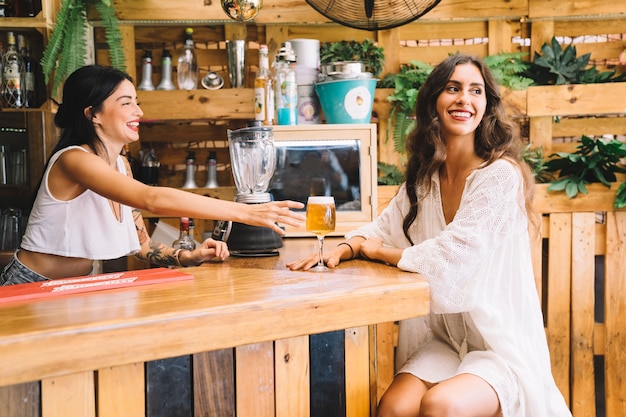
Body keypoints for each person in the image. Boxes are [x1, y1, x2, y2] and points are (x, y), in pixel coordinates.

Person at [287, 54, 571, 416]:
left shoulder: (500, 176)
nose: (464, 99)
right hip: (448, 341)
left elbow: (452, 260)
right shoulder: (425, 180)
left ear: (486, 105)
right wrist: (346, 245)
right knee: (394, 406)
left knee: (441, 405)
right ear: (434, 101)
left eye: (475, 91)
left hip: (500, 346)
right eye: (453, 88)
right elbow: (381, 228)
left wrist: (376, 252)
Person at [1, 65, 304, 285]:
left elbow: (142, 243)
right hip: (29, 284)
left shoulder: (121, 165)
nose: (139, 112)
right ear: (93, 113)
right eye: (126, 103)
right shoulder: (74, 160)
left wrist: (189, 256)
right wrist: (245, 212)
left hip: (78, 285)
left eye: (137, 101)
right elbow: (152, 199)